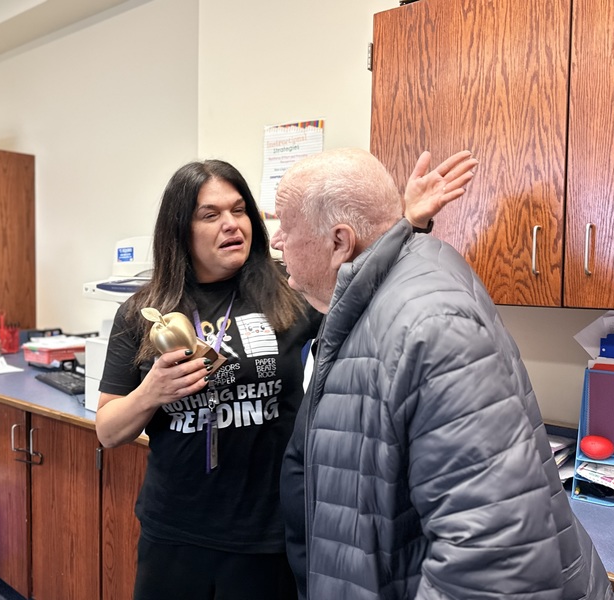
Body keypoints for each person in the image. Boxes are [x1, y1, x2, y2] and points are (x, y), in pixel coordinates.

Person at [95, 150, 477, 600]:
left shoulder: (290, 288)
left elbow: (365, 281)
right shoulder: (144, 312)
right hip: (175, 531)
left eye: (240, 210)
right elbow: (109, 431)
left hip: (269, 532)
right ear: (180, 228)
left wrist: (407, 222)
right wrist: (151, 393)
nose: (232, 224)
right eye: (211, 215)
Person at [271, 147, 614, 600]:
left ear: (339, 242)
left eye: (285, 225)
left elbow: (495, 565)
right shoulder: (375, 296)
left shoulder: (429, 327)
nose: (276, 240)